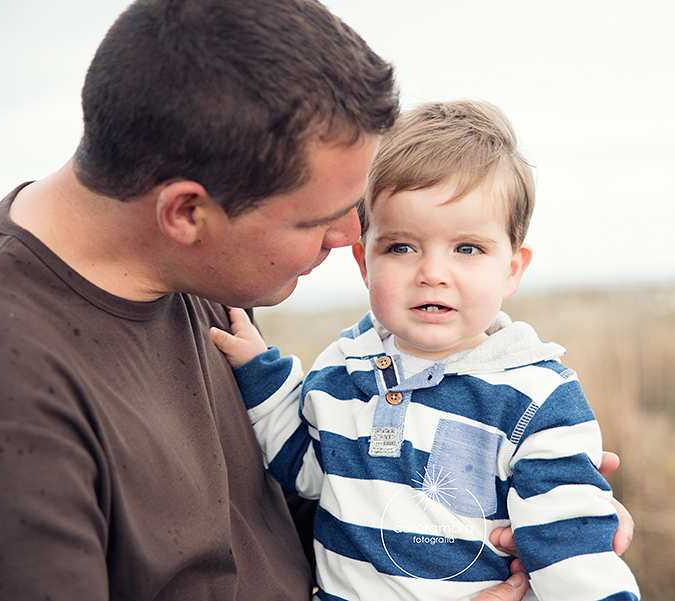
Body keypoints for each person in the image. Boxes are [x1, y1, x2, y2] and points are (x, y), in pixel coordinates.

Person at [0, 1, 631, 599]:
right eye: (319, 218)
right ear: (187, 213)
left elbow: (291, 509)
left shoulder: (201, 281)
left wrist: (491, 515)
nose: (349, 239)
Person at [211, 100, 640, 600]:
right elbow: (307, 471)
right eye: (401, 247)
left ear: (511, 270)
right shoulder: (343, 369)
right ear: (364, 263)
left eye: (467, 249)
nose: (432, 273)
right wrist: (261, 373)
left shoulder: (535, 397)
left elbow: (572, 548)